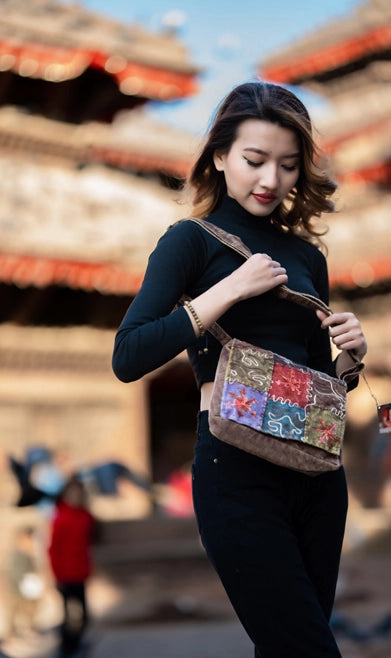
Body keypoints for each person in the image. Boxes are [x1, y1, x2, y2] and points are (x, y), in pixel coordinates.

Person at [112, 82, 367, 657]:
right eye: (254, 160)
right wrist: (228, 289)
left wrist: (348, 356)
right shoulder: (188, 243)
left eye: (287, 165)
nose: (270, 180)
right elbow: (128, 357)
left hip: (318, 475)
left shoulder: (306, 257)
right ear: (220, 156)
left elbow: (312, 373)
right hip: (237, 472)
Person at [47, 475, 95, 656]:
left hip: (80, 573)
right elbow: (53, 549)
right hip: (66, 575)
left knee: (83, 616)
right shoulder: (61, 518)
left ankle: (75, 644)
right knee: (69, 616)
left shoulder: (84, 516)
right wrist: (56, 575)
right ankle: (66, 649)